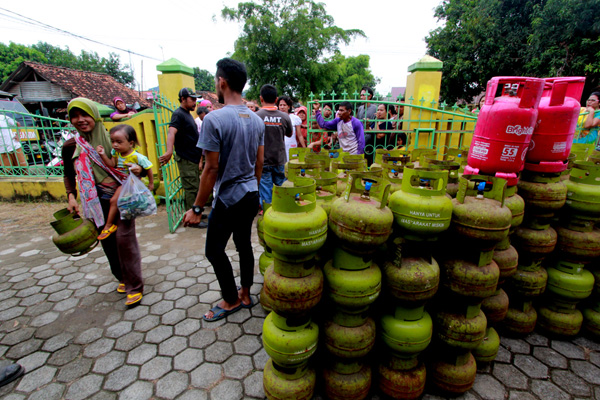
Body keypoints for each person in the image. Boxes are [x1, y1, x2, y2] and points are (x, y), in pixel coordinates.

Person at [183, 57, 264, 322]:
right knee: (244, 245)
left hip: (228, 198)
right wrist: (256, 193)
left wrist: (197, 207)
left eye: (216, 81)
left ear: (222, 82)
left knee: (214, 250)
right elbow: (259, 162)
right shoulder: (257, 120)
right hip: (251, 194)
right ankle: (246, 293)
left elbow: (211, 169)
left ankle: (230, 300)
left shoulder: (214, 119)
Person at [63, 98, 144, 307]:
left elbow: (136, 161)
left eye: (85, 115)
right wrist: (71, 196)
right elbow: (68, 174)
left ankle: (134, 286)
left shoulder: (113, 139)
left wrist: (139, 171)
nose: (81, 120)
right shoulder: (72, 145)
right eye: (75, 116)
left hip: (121, 196)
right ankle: (122, 278)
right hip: (95, 202)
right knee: (108, 244)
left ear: (94, 116)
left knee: (124, 241)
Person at [159, 88, 207, 228]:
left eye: (195, 99)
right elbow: (171, 132)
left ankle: (195, 213)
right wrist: (169, 151)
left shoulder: (186, 114)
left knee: (195, 186)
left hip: (192, 157)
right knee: (191, 188)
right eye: (192, 99)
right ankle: (192, 220)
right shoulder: (178, 114)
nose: (194, 102)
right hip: (186, 158)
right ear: (183, 99)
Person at [96, 124, 154, 240]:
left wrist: (151, 183)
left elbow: (149, 168)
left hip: (130, 183)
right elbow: (112, 164)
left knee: (114, 201)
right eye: (112, 141)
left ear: (131, 143)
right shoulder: (116, 153)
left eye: (119, 142)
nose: (115, 145)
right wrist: (102, 154)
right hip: (122, 182)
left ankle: (108, 225)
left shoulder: (137, 157)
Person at [256, 85, 293, 207]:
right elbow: (289, 133)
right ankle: (283, 210)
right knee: (281, 186)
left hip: (263, 160)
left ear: (261, 99)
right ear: (276, 99)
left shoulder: (256, 116)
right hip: (279, 159)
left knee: (265, 189)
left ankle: (268, 214)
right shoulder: (284, 117)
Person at [277, 96, 302, 162]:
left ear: (289, 106)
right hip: (278, 147)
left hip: (291, 146)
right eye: (280, 105)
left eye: (284, 105)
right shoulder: (275, 118)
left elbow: (299, 135)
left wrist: (305, 147)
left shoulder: (295, 118)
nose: (282, 107)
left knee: (291, 165)